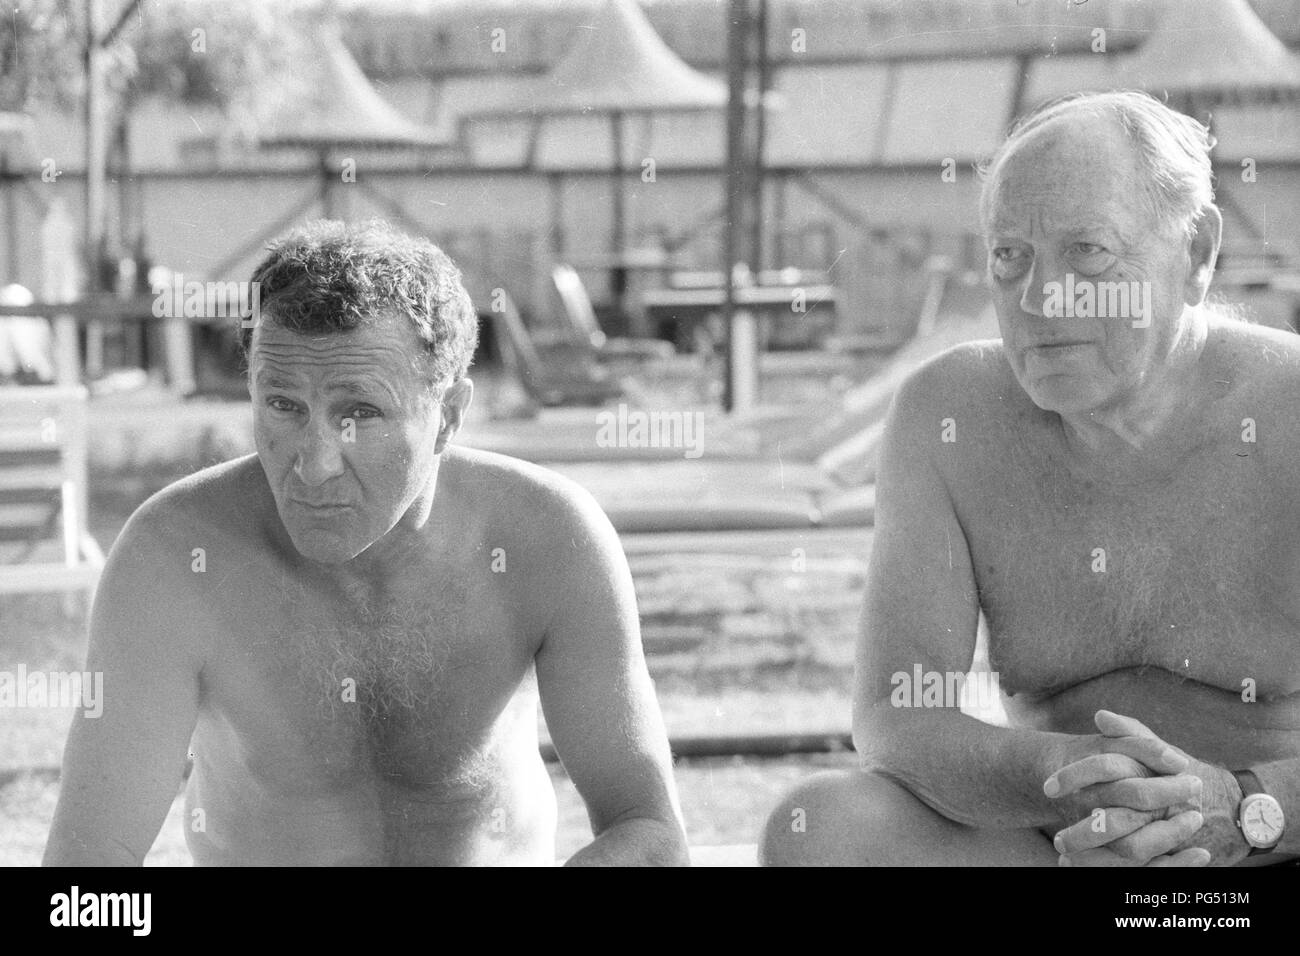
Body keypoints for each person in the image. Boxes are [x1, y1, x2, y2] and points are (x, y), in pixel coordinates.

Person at [761, 91, 1298, 866]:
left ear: (1196, 252)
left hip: (1267, 844)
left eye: (1090, 252)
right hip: (1067, 845)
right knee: (824, 830)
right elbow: (896, 716)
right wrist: (1075, 778)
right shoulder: (948, 418)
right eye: (1011, 257)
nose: (1042, 298)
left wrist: (1239, 806)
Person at [44, 220, 687, 866]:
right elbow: (82, 879)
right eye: (283, 406)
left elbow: (652, 836)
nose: (315, 463)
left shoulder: (550, 539)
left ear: (450, 415)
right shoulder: (172, 559)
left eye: (361, 414)